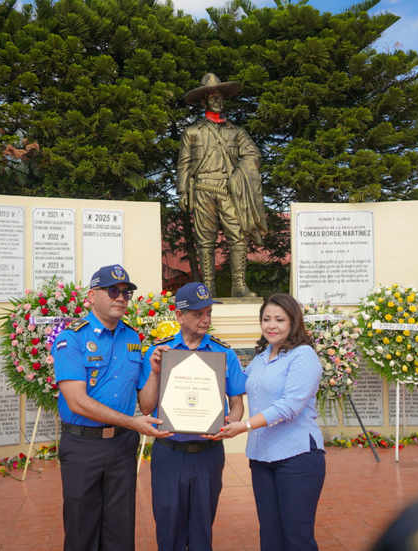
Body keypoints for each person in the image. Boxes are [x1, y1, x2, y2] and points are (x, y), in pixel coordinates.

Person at [51, 264, 171, 551]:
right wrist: (134, 423)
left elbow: (145, 403)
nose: (121, 298)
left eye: (126, 293)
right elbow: (77, 401)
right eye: (113, 291)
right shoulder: (72, 338)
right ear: (92, 296)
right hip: (83, 445)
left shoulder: (133, 338)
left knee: (120, 530)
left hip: (121, 446)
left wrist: (154, 371)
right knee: (82, 530)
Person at [140, 282, 247, 551]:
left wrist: (231, 421)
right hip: (169, 451)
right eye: (198, 314)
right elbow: (145, 407)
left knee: (202, 529)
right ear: (179, 315)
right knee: (168, 527)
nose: (206, 319)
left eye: (209, 312)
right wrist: (155, 372)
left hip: (208, 452)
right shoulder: (160, 352)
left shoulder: (225, 353)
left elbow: (236, 403)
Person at [216, 293, 325, 551]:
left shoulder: (303, 356)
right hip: (263, 457)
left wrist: (244, 426)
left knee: (297, 537)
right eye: (266, 319)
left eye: (279, 319)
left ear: (293, 322)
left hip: (297, 457)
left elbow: (289, 406)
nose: (271, 326)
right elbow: (240, 384)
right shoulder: (264, 354)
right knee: (270, 536)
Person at [176, 72, 268, 298]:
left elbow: (252, 154)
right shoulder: (192, 132)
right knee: (205, 240)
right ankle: (208, 289)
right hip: (202, 190)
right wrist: (183, 191)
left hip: (229, 190)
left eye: (219, 97)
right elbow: (184, 164)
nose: (217, 100)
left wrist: (240, 172)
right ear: (203, 101)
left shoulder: (237, 132)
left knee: (237, 235)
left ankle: (239, 286)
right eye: (212, 97)